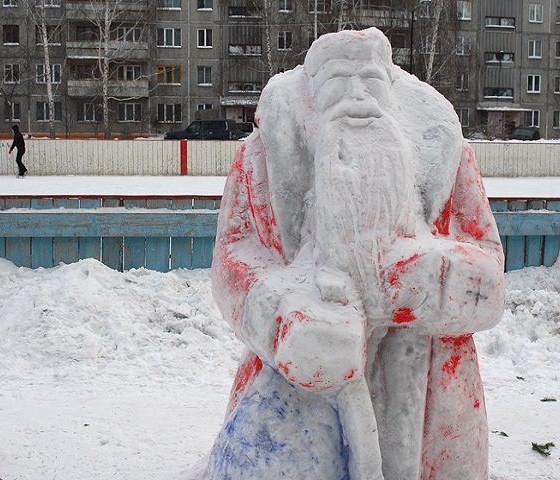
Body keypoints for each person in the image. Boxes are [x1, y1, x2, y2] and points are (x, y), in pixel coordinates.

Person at [205, 28, 505, 480]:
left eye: (370, 81)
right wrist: (283, 319)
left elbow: (488, 256)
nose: (357, 97)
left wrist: (442, 280)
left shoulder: (446, 153)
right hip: (301, 393)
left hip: (433, 403)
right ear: (312, 95)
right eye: (337, 83)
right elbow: (233, 258)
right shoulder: (262, 157)